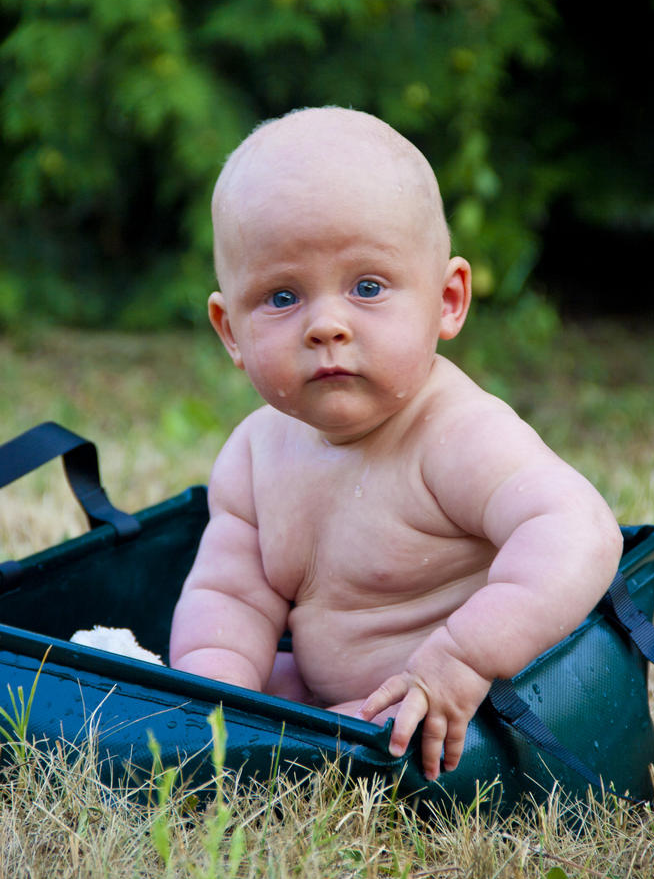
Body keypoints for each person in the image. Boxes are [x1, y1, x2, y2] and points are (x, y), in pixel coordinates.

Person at [169, 107, 623, 781]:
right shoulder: (255, 453)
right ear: (229, 330)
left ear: (446, 300)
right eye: (282, 296)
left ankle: (332, 749)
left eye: (367, 287)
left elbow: (577, 531)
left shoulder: (457, 435)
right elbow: (229, 599)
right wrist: (215, 697)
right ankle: (261, 745)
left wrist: (463, 657)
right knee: (256, 684)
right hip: (333, 700)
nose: (326, 324)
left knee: (390, 733)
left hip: (460, 709)